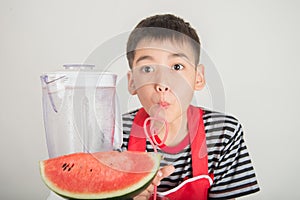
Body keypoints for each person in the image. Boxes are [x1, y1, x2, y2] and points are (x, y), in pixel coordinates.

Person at [121, 13, 260, 200]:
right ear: (132, 83)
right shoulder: (115, 134)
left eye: (177, 67)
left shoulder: (222, 134)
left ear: (198, 78)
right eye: (147, 69)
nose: (162, 83)